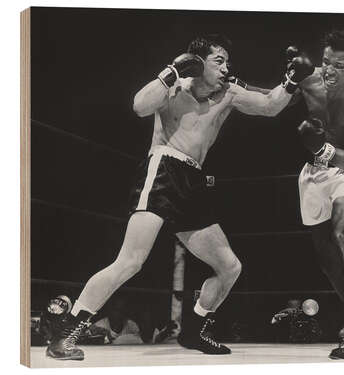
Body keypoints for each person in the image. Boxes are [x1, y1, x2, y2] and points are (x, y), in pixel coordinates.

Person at [46, 34, 313, 360]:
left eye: (227, 61)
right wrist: (171, 70)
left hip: (194, 180)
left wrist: (291, 79)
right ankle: (65, 334)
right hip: (162, 170)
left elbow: (270, 106)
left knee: (229, 266)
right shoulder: (175, 87)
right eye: (219, 61)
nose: (227, 67)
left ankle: (194, 329)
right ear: (198, 63)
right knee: (130, 261)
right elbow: (139, 105)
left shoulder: (229, 93)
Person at [288, 29, 344, 359]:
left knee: (342, 235)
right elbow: (272, 99)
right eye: (326, 62)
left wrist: (320, 148)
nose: (329, 70)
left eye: (338, 65)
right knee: (325, 258)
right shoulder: (311, 82)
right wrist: (286, 78)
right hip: (311, 176)